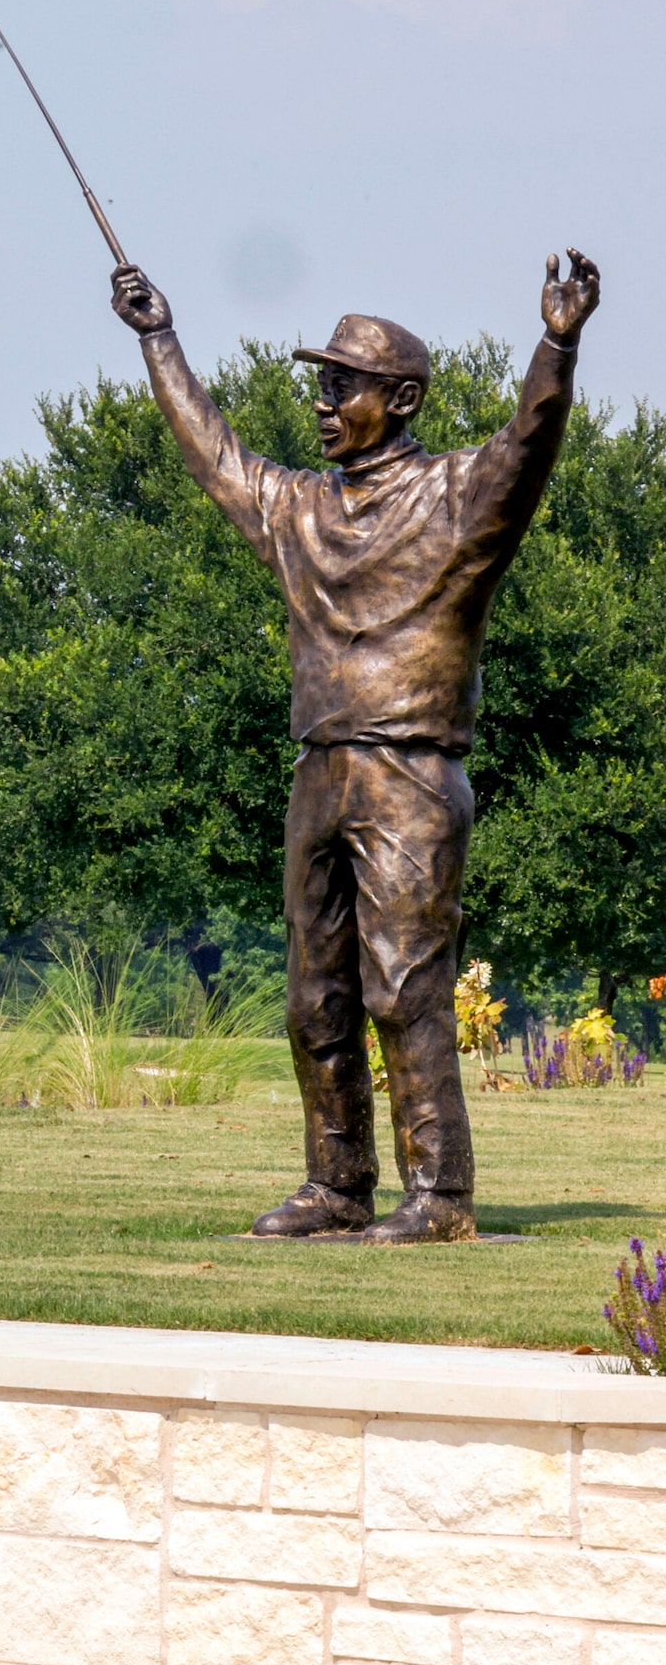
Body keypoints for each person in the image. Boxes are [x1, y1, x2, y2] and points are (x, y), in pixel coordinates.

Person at [110, 251, 600, 1242]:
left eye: (344, 386)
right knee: (312, 994)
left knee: (404, 982)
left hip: (411, 772)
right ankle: (335, 1184)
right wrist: (157, 339)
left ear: (402, 398)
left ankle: (438, 1196)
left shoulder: (460, 500)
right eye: (321, 385)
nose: (324, 403)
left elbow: (529, 439)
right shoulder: (296, 509)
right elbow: (212, 453)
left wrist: (555, 343)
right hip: (319, 769)